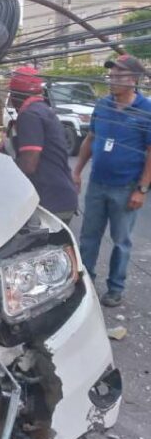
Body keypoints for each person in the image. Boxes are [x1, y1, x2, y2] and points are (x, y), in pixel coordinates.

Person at [72, 54, 151, 307]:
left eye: (119, 76)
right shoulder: (102, 105)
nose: (112, 80)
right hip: (97, 183)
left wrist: (142, 188)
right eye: (111, 75)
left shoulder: (146, 110)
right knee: (88, 237)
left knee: (121, 241)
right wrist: (77, 171)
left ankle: (115, 288)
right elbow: (90, 139)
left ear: (134, 80)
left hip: (126, 188)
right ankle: (85, 284)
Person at [6, 66, 78, 223]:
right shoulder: (43, 110)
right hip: (61, 197)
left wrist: (3, 174)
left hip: (51, 202)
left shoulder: (30, 115)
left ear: (14, 95)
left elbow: (29, 164)